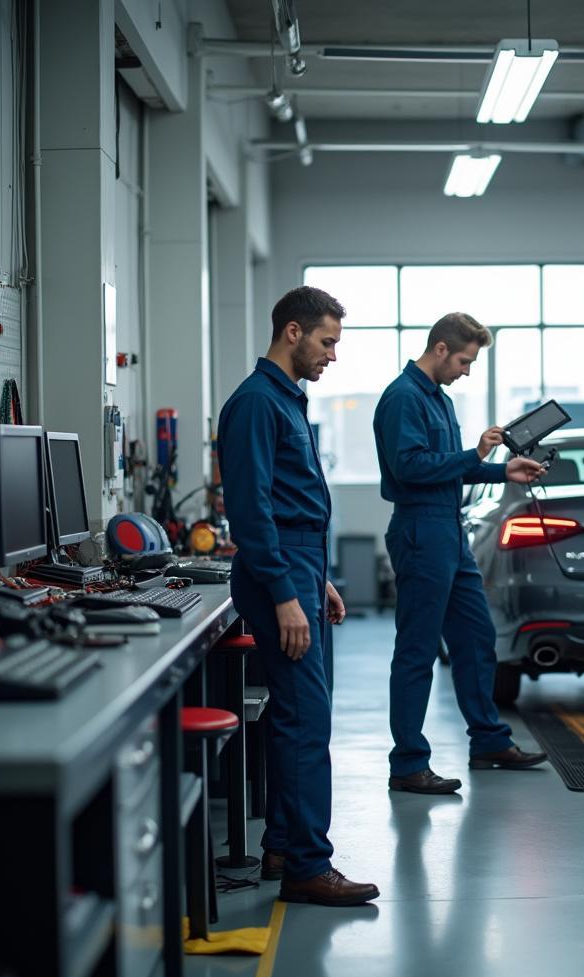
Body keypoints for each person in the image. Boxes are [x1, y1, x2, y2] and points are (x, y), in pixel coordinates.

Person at [218, 285, 379, 906]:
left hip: (301, 567)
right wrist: (287, 594)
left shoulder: (286, 400)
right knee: (307, 721)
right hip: (277, 571)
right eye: (327, 341)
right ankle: (309, 866)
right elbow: (252, 511)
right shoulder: (258, 403)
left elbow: (289, 502)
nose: (332, 355)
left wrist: (318, 580)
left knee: (298, 714)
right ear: (293, 332)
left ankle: (283, 843)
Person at [373, 312, 549, 795]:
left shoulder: (440, 400)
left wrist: (502, 471)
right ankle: (408, 762)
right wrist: (474, 455)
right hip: (419, 529)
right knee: (417, 650)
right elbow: (410, 468)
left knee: (476, 637)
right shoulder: (403, 398)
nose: (467, 371)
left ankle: (488, 740)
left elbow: (448, 469)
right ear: (442, 348)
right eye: (466, 361)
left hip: (450, 531)